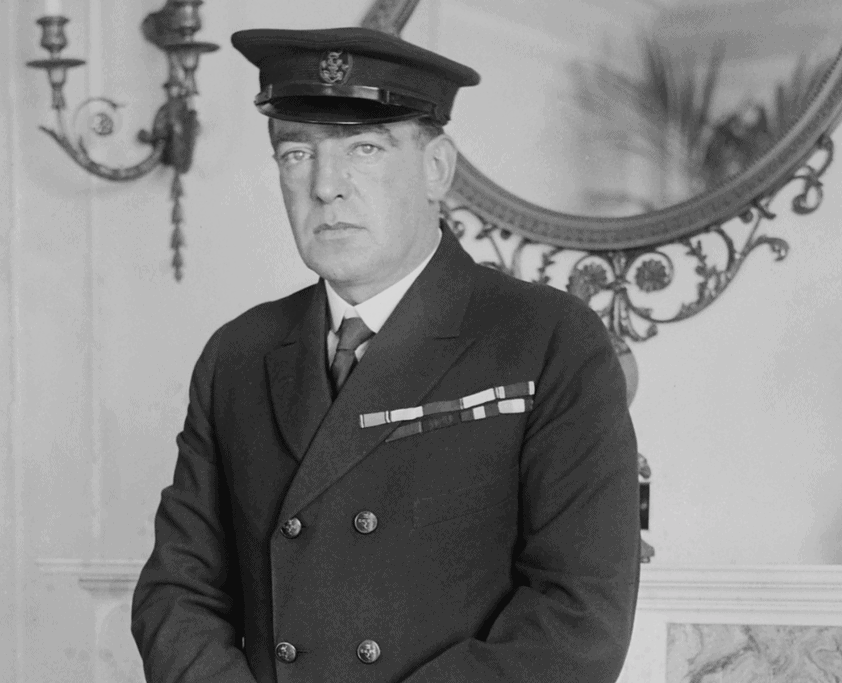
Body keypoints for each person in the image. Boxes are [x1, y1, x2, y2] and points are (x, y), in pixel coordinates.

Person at [131, 26, 640, 683]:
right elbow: (178, 589)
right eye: (295, 154)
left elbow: (578, 616)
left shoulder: (547, 339)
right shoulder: (240, 353)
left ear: (436, 169)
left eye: (364, 149)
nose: (325, 186)